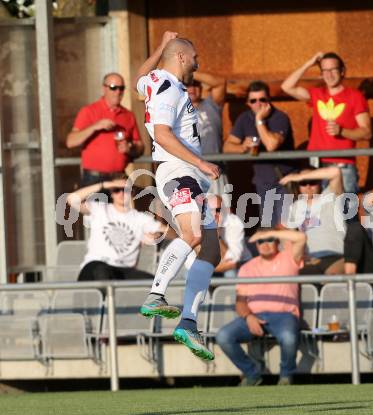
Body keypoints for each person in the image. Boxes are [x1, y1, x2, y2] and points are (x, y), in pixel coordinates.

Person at [135, 32, 221, 361]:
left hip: (189, 174)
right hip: (178, 170)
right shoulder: (169, 87)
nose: (198, 62)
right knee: (193, 234)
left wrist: (159, 46)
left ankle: (187, 321)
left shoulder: (157, 79)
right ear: (182, 58)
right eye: (195, 56)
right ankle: (156, 294)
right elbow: (162, 134)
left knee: (211, 250)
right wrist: (200, 161)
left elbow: (137, 81)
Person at [216, 228, 305, 386]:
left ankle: (286, 376)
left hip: (284, 316)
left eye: (269, 239)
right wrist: (248, 317)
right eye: (260, 241)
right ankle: (252, 374)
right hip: (254, 316)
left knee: (288, 337)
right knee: (223, 336)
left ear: (277, 242)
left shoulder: (289, 258)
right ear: (256, 245)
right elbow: (241, 301)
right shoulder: (246, 268)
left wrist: (270, 233)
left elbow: (301, 237)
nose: (264, 243)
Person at [281, 52, 371, 194]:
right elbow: (287, 87)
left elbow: (367, 132)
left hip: (343, 165)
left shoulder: (355, 97)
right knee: (319, 213)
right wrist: (309, 63)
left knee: (345, 213)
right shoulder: (317, 94)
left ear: (342, 71)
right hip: (316, 164)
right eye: (325, 71)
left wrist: (342, 131)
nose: (329, 74)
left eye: (333, 69)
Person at [223, 81, 295, 227]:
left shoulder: (279, 117)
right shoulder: (244, 118)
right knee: (269, 229)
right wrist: (242, 147)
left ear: (269, 100)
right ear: (248, 103)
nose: (258, 104)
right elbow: (227, 147)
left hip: (284, 182)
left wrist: (259, 120)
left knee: (286, 228)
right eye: (253, 101)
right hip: (262, 183)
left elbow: (271, 145)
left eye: (262, 99)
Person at [66, 178, 166, 281]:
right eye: (116, 190)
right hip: (96, 265)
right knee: (102, 271)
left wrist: (157, 235)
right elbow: (71, 199)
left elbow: (169, 232)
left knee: (154, 283)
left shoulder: (140, 219)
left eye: (125, 190)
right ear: (111, 193)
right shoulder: (100, 209)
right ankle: (107, 297)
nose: (121, 193)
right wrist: (104, 184)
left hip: (123, 269)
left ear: (132, 192)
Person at [67, 73, 144, 187]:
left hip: (119, 176)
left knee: (134, 202)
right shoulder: (89, 111)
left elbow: (140, 147)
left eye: (121, 88)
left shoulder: (128, 115)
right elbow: (70, 142)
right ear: (104, 89)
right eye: (113, 87)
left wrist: (130, 147)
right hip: (94, 178)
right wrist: (94, 127)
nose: (118, 92)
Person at [280, 165, 346, 275]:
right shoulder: (295, 207)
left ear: (320, 182)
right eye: (303, 183)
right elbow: (289, 239)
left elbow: (335, 171)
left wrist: (299, 176)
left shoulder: (331, 196)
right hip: (310, 260)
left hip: (335, 256)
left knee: (331, 284)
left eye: (312, 182)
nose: (308, 186)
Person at [208, 195, 252, 277]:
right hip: (211, 266)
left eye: (218, 210)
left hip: (240, 263)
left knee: (230, 273)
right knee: (189, 275)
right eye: (209, 210)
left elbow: (232, 261)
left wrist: (217, 237)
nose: (214, 214)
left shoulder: (234, 223)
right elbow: (190, 262)